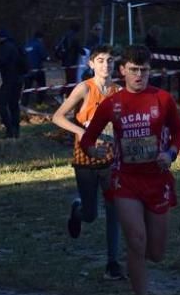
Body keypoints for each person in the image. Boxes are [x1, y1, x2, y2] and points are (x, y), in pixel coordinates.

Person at [80, 45, 180, 295]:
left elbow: (178, 132)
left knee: (157, 253)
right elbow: (87, 138)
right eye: (134, 70)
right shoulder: (112, 103)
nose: (140, 75)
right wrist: (94, 153)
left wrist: (170, 154)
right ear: (123, 70)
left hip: (157, 180)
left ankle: (143, 290)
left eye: (145, 70)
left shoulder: (162, 99)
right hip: (125, 180)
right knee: (136, 242)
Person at [52, 45, 126, 280]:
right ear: (91, 64)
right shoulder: (84, 89)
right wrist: (81, 132)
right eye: (101, 60)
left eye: (110, 61)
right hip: (85, 158)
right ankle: (79, 211)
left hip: (112, 159)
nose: (106, 65)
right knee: (92, 214)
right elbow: (57, 117)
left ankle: (112, 263)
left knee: (115, 210)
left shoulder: (119, 92)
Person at [0, 29, 27, 139]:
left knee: (2, 104)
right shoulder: (15, 45)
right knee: (14, 105)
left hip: (9, 80)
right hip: (19, 79)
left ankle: (10, 130)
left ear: (1, 37)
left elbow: (1, 62)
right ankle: (16, 131)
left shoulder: (6, 47)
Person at [21, 31, 49, 106]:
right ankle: (39, 103)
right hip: (38, 70)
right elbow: (44, 56)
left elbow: (22, 55)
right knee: (42, 86)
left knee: (27, 88)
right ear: (40, 38)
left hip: (28, 70)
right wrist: (47, 58)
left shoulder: (27, 44)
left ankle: (24, 104)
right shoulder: (39, 44)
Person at [55, 24, 84, 90]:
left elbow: (59, 47)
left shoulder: (64, 35)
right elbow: (78, 48)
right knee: (71, 79)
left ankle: (65, 92)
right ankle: (68, 93)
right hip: (72, 61)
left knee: (68, 78)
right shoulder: (74, 37)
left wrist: (60, 57)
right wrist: (83, 52)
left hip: (65, 60)